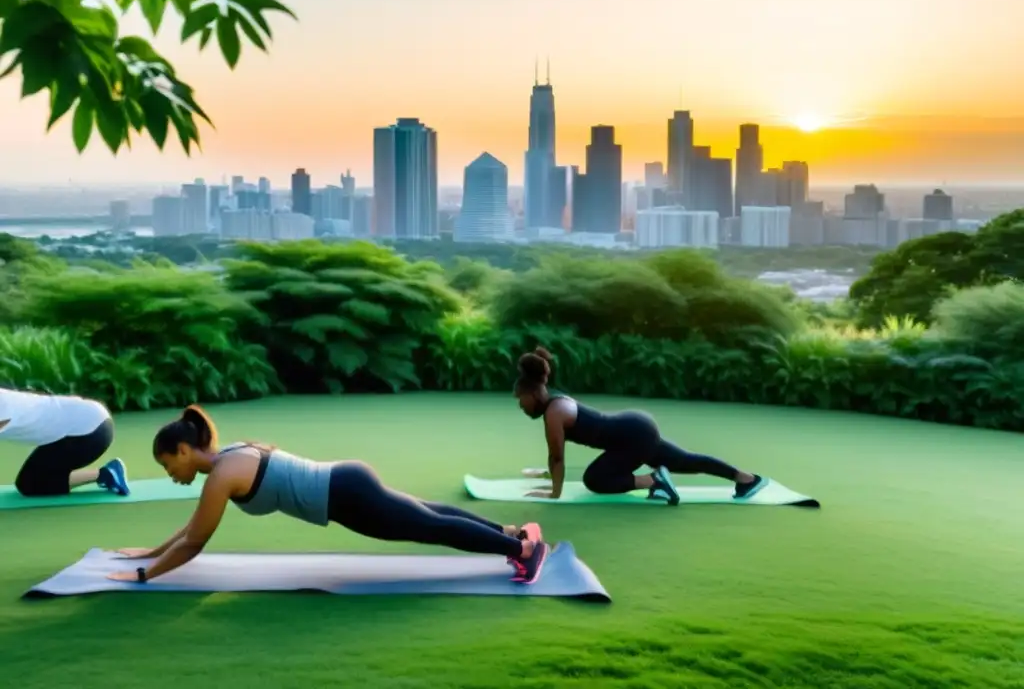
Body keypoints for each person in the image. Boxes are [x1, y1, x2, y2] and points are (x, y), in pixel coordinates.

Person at [109, 405, 549, 585]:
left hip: (345, 496)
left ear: (184, 450)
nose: (172, 475)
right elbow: (192, 529)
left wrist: (144, 576)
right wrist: (150, 552)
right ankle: (512, 534)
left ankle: (521, 550)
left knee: (429, 525)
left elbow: (196, 541)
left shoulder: (222, 474)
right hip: (345, 484)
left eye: (170, 466)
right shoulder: (231, 456)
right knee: (428, 515)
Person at [513, 347, 767, 505]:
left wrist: (554, 494)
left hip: (631, 436)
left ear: (533, 394)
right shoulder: (557, 402)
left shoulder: (554, 414)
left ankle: (654, 481)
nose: (521, 407)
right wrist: (547, 476)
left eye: (521, 401)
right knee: (684, 460)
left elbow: (557, 458)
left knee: (595, 479)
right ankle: (746, 479)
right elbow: (555, 460)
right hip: (636, 428)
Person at [0, 387, 129, 498]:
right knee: (27, 483)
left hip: (90, 431)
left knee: (30, 484)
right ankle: (107, 474)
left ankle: (109, 474)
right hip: (81, 425)